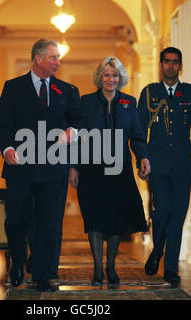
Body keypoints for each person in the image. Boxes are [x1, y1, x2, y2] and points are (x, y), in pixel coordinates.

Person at [0, 38, 83, 292]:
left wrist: (71, 133)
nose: (58, 62)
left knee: (49, 221)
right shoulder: (13, 88)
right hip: (20, 166)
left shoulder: (67, 91)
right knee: (17, 220)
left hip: (53, 167)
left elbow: (80, 122)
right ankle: (19, 261)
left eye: (58, 57)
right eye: (53, 57)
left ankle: (44, 274)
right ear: (37, 59)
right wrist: (8, 148)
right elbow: (1, 123)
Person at [69, 56, 151, 287]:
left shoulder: (129, 102)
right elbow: (77, 138)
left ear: (120, 78)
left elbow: (136, 134)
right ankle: (97, 267)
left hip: (120, 168)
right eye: (106, 75)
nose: (111, 79)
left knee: (116, 220)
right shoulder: (85, 103)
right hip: (91, 168)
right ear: (100, 78)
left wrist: (142, 157)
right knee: (95, 218)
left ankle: (111, 266)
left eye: (115, 75)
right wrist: (74, 167)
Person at [137, 47, 191, 286]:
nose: (170, 66)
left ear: (180, 65)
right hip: (157, 164)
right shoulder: (149, 93)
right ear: (160, 64)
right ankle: (158, 251)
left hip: (182, 164)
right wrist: (142, 160)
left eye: (175, 62)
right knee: (161, 212)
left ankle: (170, 268)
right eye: (167, 62)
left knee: (177, 217)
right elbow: (138, 132)